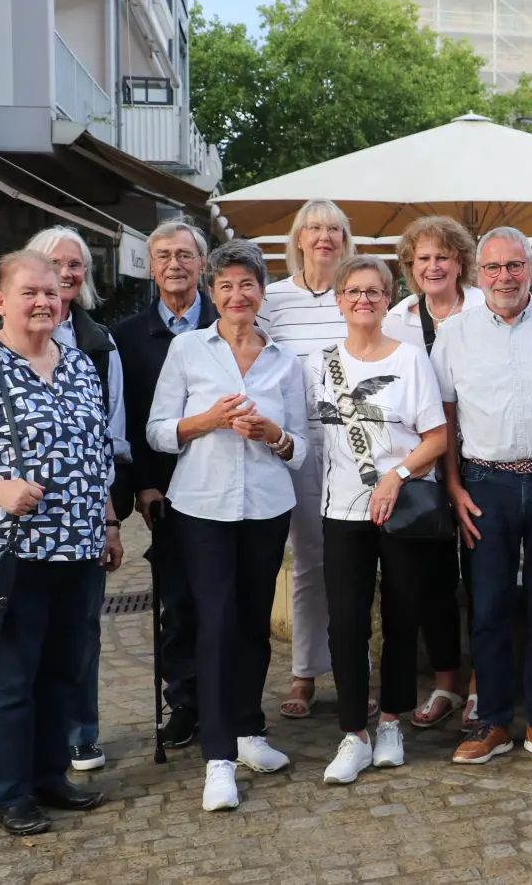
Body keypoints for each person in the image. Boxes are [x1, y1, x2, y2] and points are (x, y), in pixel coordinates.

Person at [0, 250, 123, 836]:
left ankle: (50, 777)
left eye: (53, 292)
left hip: (78, 550)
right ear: (2, 301)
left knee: (63, 671)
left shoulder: (80, 363)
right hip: (10, 554)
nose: (44, 301)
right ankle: (6, 793)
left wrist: (108, 522)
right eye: (30, 292)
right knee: (11, 680)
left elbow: (96, 454)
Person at [147, 239, 310, 812]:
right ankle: (218, 758)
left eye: (247, 284)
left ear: (262, 292)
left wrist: (276, 437)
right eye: (226, 286)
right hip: (202, 507)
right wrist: (208, 420)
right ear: (211, 294)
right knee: (214, 624)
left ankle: (247, 731)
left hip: (267, 506)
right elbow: (158, 431)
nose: (237, 295)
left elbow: (302, 448)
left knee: (251, 622)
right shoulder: (190, 350)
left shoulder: (285, 361)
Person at [435, 226, 532, 765]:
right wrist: (452, 485)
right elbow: (445, 418)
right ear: (478, 274)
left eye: (514, 265)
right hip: (485, 486)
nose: (505, 277)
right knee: (489, 608)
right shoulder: (454, 334)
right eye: (494, 268)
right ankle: (493, 721)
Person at [308, 256, 448, 784]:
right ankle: (354, 733)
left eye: (374, 291)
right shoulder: (319, 362)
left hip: (401, 509)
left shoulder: (411, 360)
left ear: (389, 299)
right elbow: (307, 435)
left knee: (400, 615)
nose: (363, 299)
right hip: (340, 509)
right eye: (353, 291)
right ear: (339, 300)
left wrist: (397, 476)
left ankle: (391, 720)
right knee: (345, 621)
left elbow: (437, 436)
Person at [11, 227, 129, 773]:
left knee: (79, 635)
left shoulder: (97, 346)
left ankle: (79, 734)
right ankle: (27, 747)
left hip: (82, 524)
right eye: (55, 264)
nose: (65, 274)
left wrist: (110, 517)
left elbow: (111, 435)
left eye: (76, 266)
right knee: (20, 643)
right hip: (18, 529)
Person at [112, 219, 218, 751]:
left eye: (184, 255)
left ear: (203, 263)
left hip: (226, 484)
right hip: (168, 492)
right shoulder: (127, 337)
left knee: (227, 599)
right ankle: (184, 702)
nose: (174, 265)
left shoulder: (230, 321)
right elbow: (128, 418)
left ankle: (230, 701)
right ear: (150, 267)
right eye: (163, 256)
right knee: (176, 603)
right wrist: (146, 485)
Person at [381, 215, 485, 732]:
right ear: (409, 266)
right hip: (422, 464)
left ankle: (479, 686)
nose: (433, 265)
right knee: (434, 581)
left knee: (485, 574)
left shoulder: (488, 307)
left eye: (442, 256)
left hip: (484, 457)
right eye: (422, 258)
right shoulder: (397, 319)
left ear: (461, 261)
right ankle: (445, 681)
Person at [255, 199, 353, 722]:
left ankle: (358, 670)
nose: (324, 237)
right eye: (314, 228)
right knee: (309, 558)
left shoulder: (357, 291)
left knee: (361, 558)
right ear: (297, 239)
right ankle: (306, 672)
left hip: (358, 443)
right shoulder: (272, 300)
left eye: (334, 229)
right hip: (295, 442)